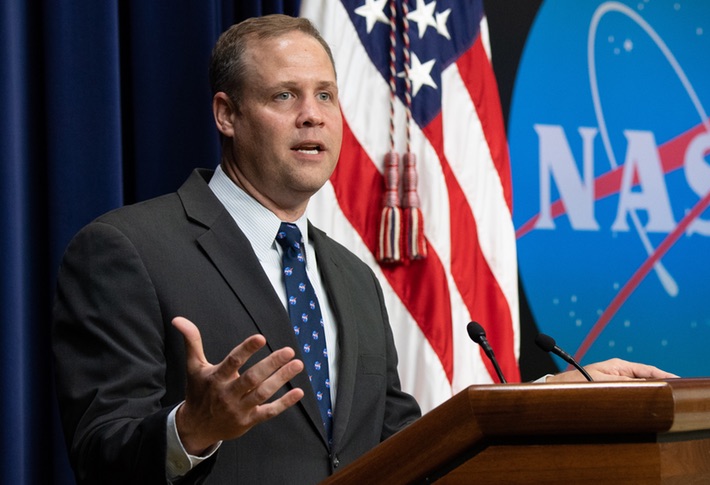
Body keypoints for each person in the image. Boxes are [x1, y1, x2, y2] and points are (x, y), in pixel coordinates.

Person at [51, 14, 676, 485]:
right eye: (283, 96)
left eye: (326, 95)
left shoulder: (350, 274)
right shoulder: (127, 248)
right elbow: (100, 451)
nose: (313, 116)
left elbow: (404, 441)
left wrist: (540, 401)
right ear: (227, 115)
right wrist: (191, 429)